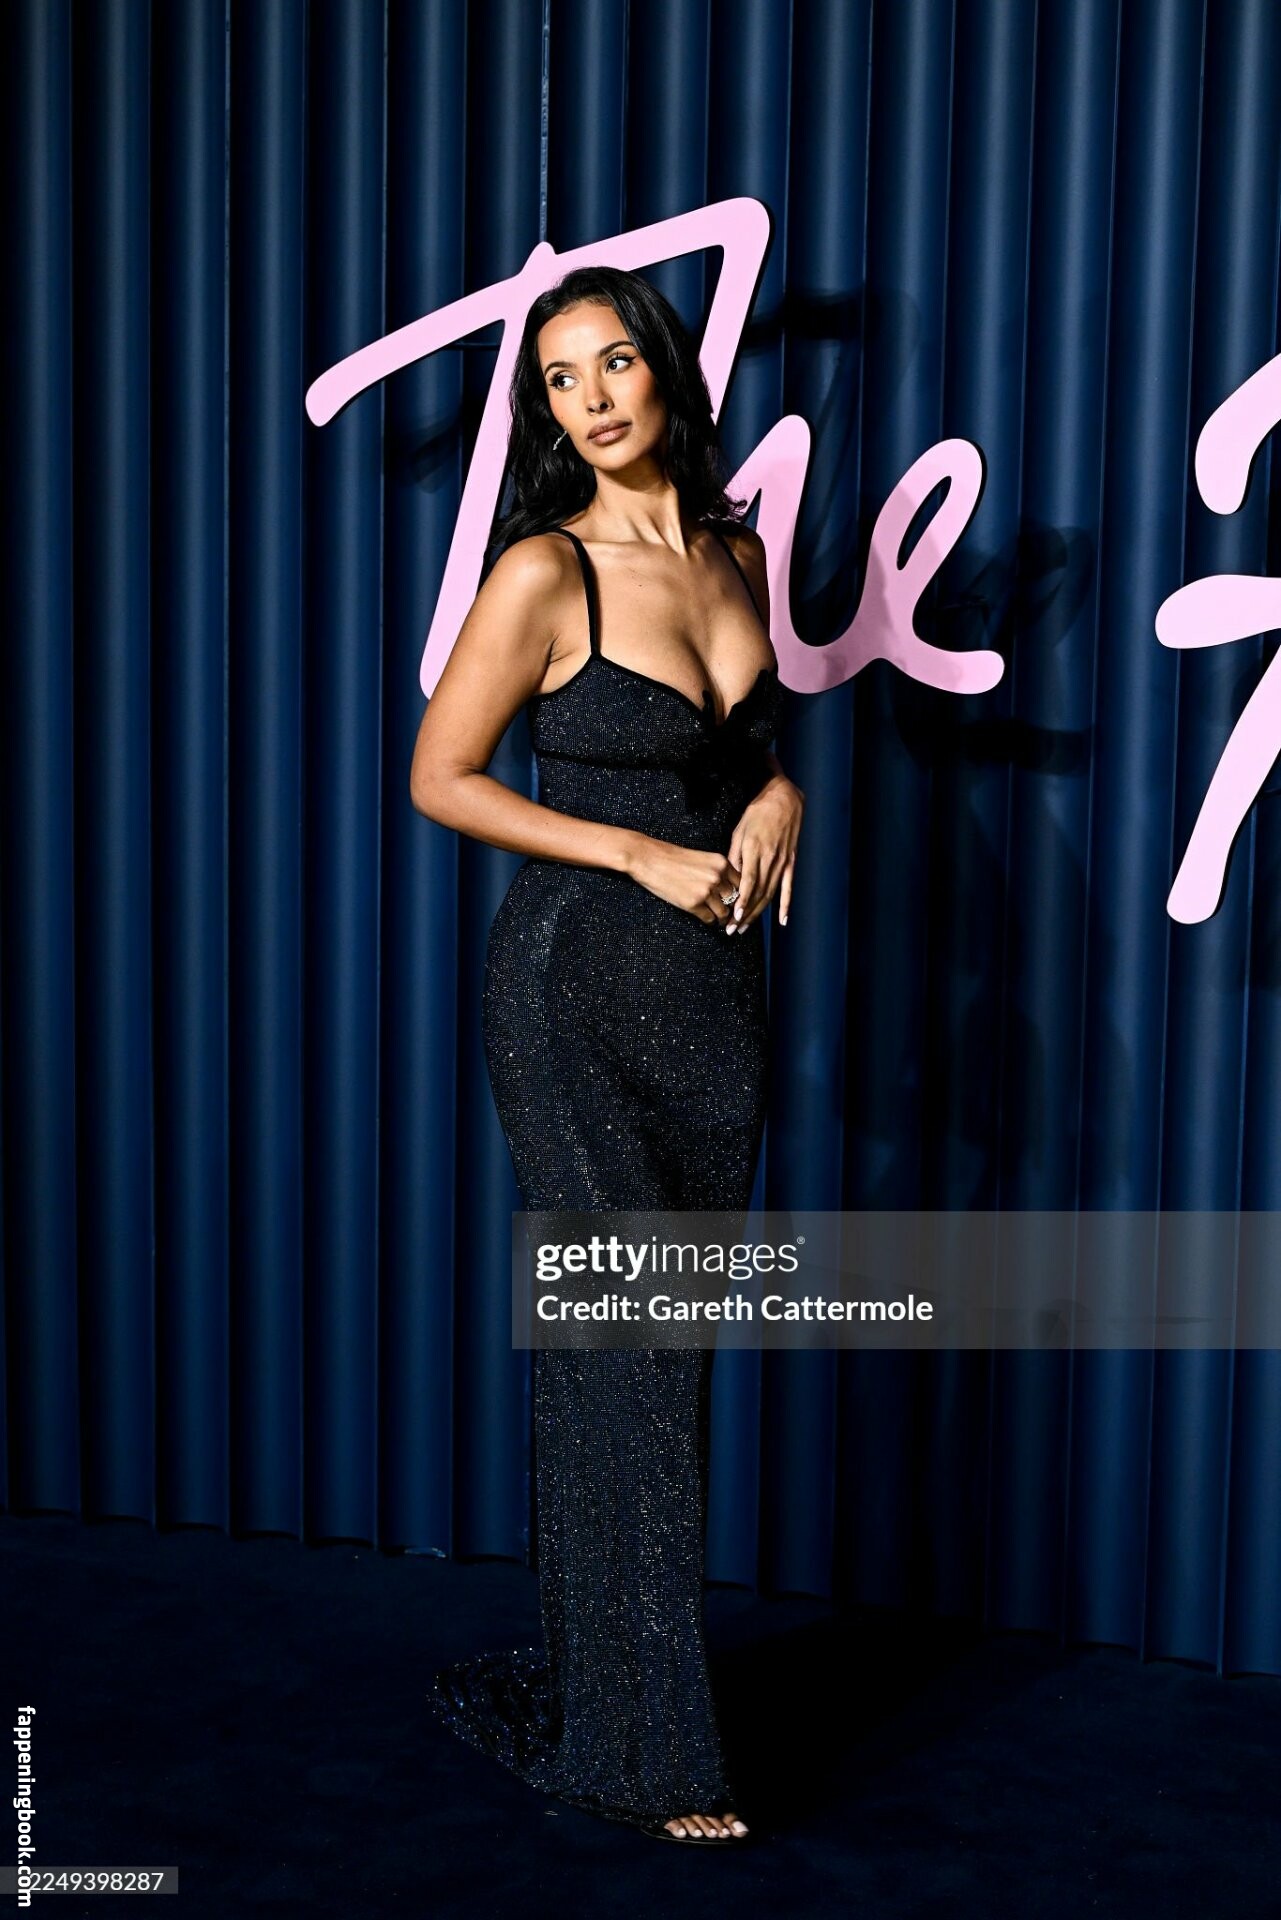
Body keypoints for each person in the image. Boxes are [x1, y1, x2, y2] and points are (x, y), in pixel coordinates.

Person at [409, 265, 805, 1844]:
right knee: (626, 1359)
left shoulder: (732, 554)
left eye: (614, 362)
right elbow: (442, 776)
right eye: (560, 379)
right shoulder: (542, 570)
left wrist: (779, 798)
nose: (591, 399)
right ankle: (647, 1757)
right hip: (571, 990)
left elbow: (748, 748)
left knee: (659, 1356)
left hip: (713, 1001)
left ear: (665, 373)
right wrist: (631, 852)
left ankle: (606, 1692)